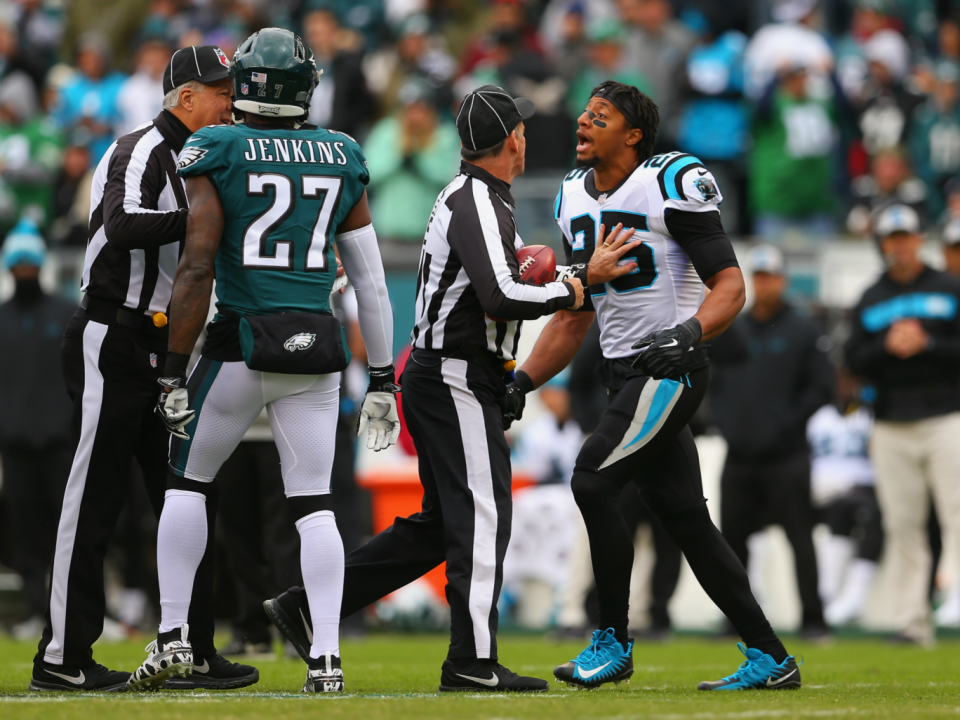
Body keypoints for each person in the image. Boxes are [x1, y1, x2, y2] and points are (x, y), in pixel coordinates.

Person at [265, 84, 588, 693]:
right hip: (455, 373)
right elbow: (499, 295)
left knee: (443, 525)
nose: (526, 136)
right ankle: (472, 658)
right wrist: (571, 288)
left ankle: (309, 604)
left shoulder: (479, 197)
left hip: (454, 373)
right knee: (483, 515)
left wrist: (564, 279)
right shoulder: (479, 202)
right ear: (511, 138)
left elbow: (498, 284)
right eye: (520, 128)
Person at [129, 28, 399, 695]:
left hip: (239, 343)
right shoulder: (341, 152)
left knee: (188, 482)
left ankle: (172, 637)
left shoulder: (219, 145)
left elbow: (195, 266)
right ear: (306, 85)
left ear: (245, 84)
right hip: (316, 347)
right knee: (314, 504)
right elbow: (369, 282)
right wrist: (386, 377)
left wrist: (171, 368)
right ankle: (328, 657)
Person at [506, 80, 800, 690]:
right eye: (584, 113)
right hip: (622, 373)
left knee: (592, 479)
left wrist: (688, 333)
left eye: (601, 116)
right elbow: (573, 316)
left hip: (668, 368)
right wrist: (523, 380)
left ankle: (611, 637)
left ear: (634, 135)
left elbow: (731, 286)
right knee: (687, 520)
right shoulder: (571, 196)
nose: (583, 123)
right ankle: (771, 657)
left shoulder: (667, 181)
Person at [29, 45, 242, 694]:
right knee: (92, 502)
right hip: (111, 339)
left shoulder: (209, 157)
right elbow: (121, 225)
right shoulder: (140, 148)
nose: (230, 101)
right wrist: (202, 221)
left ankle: (197, 649)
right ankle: (63, 655)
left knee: (186, 496)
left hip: (164, 351)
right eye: (219, 90)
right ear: (185, 97)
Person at [845, 203, 960, 646]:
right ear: (883, 246)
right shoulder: (871, 297)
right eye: (891, 240)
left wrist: (927, 342)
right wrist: (888, 347)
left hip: (946, 416)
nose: (900, 247)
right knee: (903, 525)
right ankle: (913, 622)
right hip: (892, 422)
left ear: (918, 240)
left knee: (956, 516)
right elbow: (853, 360)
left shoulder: (950, 287)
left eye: (905, 238)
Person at [710, 245, 833, 639]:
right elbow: (714, 384)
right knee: (732, 545)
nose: (764, 284)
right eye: (758, 276)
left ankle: (813, 619)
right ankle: (738, 620)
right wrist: (725, 424)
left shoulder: (804, 330)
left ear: (782, 280)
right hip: (740, 453)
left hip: (787, 454)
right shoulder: (733, 328)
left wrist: (785, 424)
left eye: (770, 277)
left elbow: (820, 388)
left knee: (800, 539)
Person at [0, 219, 75, 639]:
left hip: (59, 442)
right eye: (18, 264)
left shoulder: (65, 314)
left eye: (31, 263)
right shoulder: (1, 319)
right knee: (26, 532)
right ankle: (34, 611)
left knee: (66, 531)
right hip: (15, 444)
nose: (25, 271)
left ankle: (69, 614)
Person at [808, 368, 882, 627]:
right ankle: (825, 594)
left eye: (852, 382)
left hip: (862, 489)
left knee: (870, 515)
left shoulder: (870, 416)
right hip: (820, 489)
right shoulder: (820, 417)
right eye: (842, 381)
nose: (846, 387)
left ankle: (853, 597)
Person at [364, 80, 461, 244]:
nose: (415, 115)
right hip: (389, 231)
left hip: (430, 235)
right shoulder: (385, 132)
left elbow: (453, 179)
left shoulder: (444, 136)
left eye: (421, 109)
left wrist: (420, 163)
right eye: (410, 109)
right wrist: (399, 158)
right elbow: (367, 176)